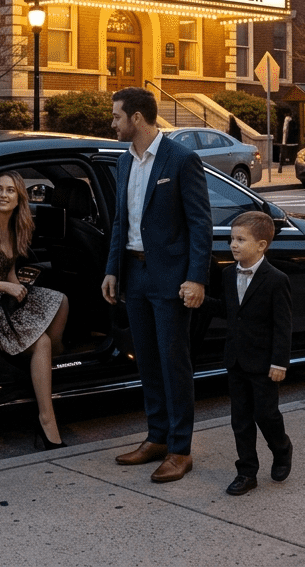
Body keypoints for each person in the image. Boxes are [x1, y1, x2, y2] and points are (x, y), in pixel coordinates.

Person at [102, 86, 213, 483]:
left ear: (136, 118)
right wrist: (113, 268)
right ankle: (157, 438)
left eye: (116, 116)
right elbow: (121, 221)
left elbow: (200, 225)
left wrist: (196, 277)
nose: (112, 123)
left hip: (171, 277)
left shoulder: (181, 159)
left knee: (173, 363)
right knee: (147, 361)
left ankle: (180, 450)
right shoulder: (124, 162)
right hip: (134, 274)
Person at [0, 171, 69, 449]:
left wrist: (19, 289)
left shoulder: (13, 228)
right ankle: (46, 418)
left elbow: (8, 270)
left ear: (19, 197)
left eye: (9, 191)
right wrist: (7, 289)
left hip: (3, 296)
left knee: (61, 301)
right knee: (41, 341)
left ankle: (46, 364)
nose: (3, 195)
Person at [201, 210, 293, 496]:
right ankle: (246, 472)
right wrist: (202, 301)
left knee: (266, 414)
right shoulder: (229, 274)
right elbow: (231, 312)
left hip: (265, 363)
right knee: (239, 419)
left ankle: (282, 448)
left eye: (241, 239)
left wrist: (279, 362)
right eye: (232, 239)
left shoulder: (276, 280)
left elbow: (283, 326)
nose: (234, 245)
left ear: (261, 245)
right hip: (236, 359)